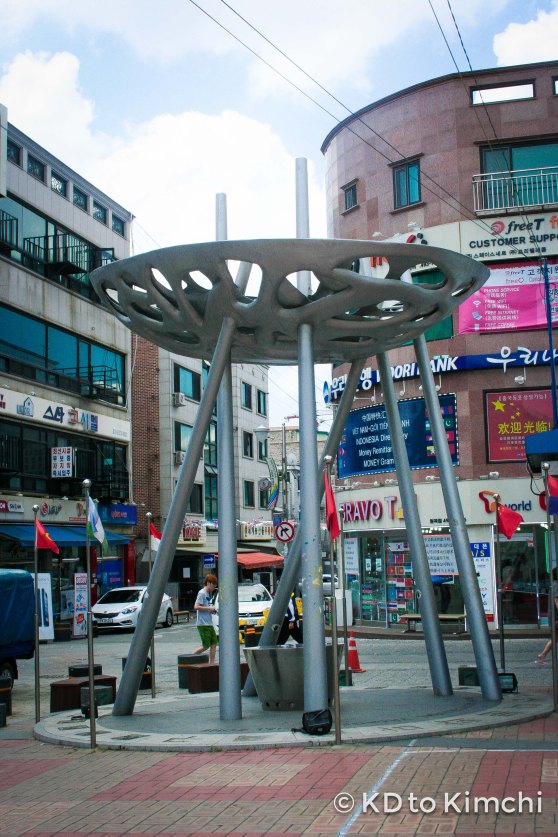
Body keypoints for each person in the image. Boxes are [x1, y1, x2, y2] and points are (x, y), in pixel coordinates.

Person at [193, 573, 218, 664]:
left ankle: (212, 663)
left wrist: (211, 610)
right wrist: (208, 608)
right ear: (208, 583)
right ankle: (191, 657)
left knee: (214, 643)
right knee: (206, 645)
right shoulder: (202, 593)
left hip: (209, 623)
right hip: (202, 624)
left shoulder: (208, 593)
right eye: (213, 585)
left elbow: (206, 607)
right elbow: (196, 607)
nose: (214, 587)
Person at [535, 568, 558, 665]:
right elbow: (557, 602)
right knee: (555, 637)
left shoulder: (554, 585)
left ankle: (542, 655)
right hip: (556, 617)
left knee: (555, 637)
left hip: (554, 616)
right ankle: (542, 655)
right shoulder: (556, 586)